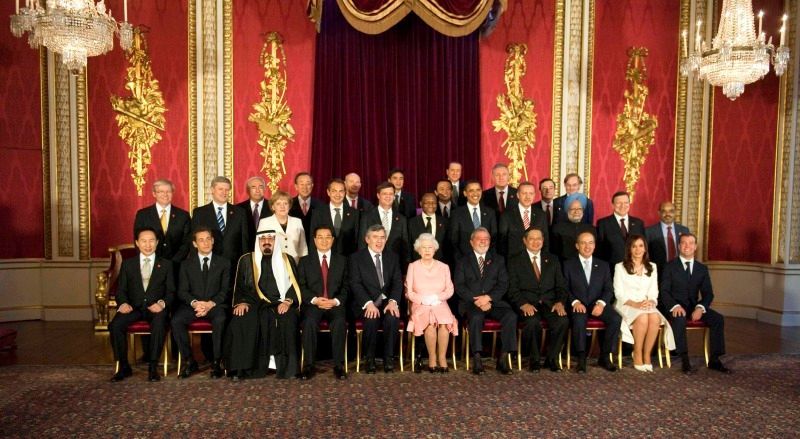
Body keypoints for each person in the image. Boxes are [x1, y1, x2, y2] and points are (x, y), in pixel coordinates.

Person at [225, 230, 300, 380]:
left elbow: (295, 285)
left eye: (270, 239)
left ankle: (286, 368)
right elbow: (240, 286)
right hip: (254, 303)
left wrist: (288, 301)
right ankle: (243, 369)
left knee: (288, 318)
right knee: (240, 319)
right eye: (262, 239)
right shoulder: (246, 260)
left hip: (281, 302)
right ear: (257, 242)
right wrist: (242, 302)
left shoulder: (287, 259)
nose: (266, 242)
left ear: (276, 241)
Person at [109, 227, 175, 382]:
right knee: (115, 325)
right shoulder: (128, 264)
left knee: (160, 323)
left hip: (156, 308)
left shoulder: (166, 264)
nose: (148, 245)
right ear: (137, 243)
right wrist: (123, 303)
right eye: (144, 241)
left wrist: (162, 304)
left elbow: (171, 291)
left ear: (157, 242)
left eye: (151, 241)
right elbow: (121, 290)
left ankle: (153, 367)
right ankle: (123, 366)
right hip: (134, 308)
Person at [660, 233, 730, 374]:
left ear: (695, 246)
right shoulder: (669, 266)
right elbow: (664, 291)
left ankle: (715, 359)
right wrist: (674, 306)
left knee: (718, 319)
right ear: (679, 246)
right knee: (679, 318)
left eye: (691, 243)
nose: (687, 246)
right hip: (674, 307)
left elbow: (708, 293)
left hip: (693, 307)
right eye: (684, 243)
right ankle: (685, 359)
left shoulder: (701, 269)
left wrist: (700, 307)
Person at [453, 227, 516, 375]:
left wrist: (488, 298)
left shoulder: (498, 260)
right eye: (479, 239)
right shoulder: (462, 261)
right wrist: (477, 300)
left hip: (493, 301)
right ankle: (477, 358)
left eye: (486, 239)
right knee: (476, 317)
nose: (483, 241)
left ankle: (503, 358)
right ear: (471, 242)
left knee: (511, 316)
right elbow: (459, 286)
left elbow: (503, 284)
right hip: (471, 303)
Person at [507, 228, 569, 372]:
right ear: (525, 241)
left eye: (539, 239)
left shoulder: (552, 259)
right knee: (532, 322)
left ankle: (552, 359)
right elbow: (512, 289)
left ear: (543, 240)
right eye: (532, 239)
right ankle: (534, 359)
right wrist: (522, 304)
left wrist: (560, 302)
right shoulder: (514, 261)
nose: (536, 242)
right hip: (527, 303)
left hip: (550, 303)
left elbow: (561, 286)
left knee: (562, 321)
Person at [172, 227, 230, 379]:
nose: (206, 243)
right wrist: (195, 303)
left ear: (213, 241)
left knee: (221, 319)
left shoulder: (224, 263)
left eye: (208, 239)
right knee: (176, 321)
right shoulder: (186, 264)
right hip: (192, 306)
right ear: (195, 243)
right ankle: (189, 361)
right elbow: (182, 291)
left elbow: (225, 290)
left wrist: (210, 304)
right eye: (201, 240)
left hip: (215, 305)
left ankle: (217, 362)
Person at [613, 235, 675, 372]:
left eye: (641, 246)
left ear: (645, 248)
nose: (638, 249)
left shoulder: (652, 267)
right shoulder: (620, 267)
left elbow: (653, 292)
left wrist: (651, 301)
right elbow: (619, 294)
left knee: (655, 318)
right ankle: (637, 352)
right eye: (634, 246)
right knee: (642, 317)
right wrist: (635, 305)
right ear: (629, 249)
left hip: (646, 304)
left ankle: (647, 355)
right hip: (626, 304)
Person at [562, 230, 620, 373]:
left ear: (594, 245)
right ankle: (581, 359)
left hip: (597, 303)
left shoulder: (603, 265)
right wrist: (575, 302)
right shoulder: (568, 264)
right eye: (583, 243)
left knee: (615, 319)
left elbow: (608, 289)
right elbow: (563, 288)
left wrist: (601, 303)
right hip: (578, 304)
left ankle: (605, 356)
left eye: (590, 243)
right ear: (577, 246)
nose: (587, 246)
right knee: (579, 319)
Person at [349, 225, 403, 373]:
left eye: (382, 237)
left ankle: (388, 358)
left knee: (392, 317)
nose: (379, 241)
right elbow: (355, 283)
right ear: (367, 239)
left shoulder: (392, 257)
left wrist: (393, 301)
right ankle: (369, 359)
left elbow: (397, 282)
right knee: (371, 318)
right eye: (375, 237)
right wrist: (368, 303)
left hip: (387, 302)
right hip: (365, 302)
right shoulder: (356, 258)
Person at [297, 225, 349, 380]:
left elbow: (347, 286)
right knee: (309, 322)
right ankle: (308, 366)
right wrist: (315, 300)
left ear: (333, 240)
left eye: (328, 237)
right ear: (314, 240)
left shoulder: (342, 260)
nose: (324, 241)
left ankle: (339, 366)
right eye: (320, 237)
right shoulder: (305, 261)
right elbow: (301, 286)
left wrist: (335, 301)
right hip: (314, 304)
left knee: (339, 322)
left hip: (334, 304)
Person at [405, 233, 458, 372]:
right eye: (424, 248)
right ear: (418, 250)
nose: (427, 250)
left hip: (439, 302)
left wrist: (437, 297)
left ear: (435, 249)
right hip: (420, 304)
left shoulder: (444, 267)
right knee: (430, 324)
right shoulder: (413, 266)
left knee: (444, 324)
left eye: (430, 247)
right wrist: (423, 299)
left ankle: (442, 358)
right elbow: (409, 292)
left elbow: (450, 290)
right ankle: (432, 358)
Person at [191, 176, 250, 281]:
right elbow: (194, 241)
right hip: (209, 265)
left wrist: (245, 265)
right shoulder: (200, 213)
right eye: (220, 189)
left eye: (227, 189)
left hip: (234, 266)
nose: (224, 192)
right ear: (212, 190)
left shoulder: (240, 213)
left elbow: (244, 241)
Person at [133, 179, 191, 271]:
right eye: (161, 192)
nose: (165, 194)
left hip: (176, 267)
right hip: (151, 267)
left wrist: (173, 263)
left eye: (168, 191)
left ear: (172, 193)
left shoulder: (183, 216)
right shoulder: (143, 215)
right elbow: (138, 240)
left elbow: (187, 243)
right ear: (154, 194)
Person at [359, 182, 410, 265]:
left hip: (394, 265)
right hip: (371, 263)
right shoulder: (367, 217)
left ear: (394, 196)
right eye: (385, 194)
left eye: (391, 194)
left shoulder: (401, 219)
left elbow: (405, 245)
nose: (388, 196)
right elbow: (362, 242)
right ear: (378, 195)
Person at [309, 178, 360, 256]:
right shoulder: (318, 213)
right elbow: (313, 239)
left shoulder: (354, 213)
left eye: (341, 191)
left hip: (348, 259)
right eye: (334, 191)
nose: (337, 194)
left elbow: (357, 239)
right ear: (328, 192)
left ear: (345, 193)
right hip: (325, 258)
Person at [449, 180, 497, 262]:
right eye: (471, 190)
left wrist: (490, 258)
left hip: (487, 260)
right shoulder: (456, 213)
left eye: (478, 190)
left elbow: (494, 238)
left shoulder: (490, 212)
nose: (475, 193)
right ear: (465, 193)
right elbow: (454, 240)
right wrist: (460, 261)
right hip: (465, 261)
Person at [498, 181, 549, 258]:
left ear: (534, 195)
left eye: (531, 193)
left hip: (535, 260)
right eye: (524, 193)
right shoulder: (506, 215)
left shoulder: (541, 215)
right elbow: (502, 242)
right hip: (513, 259)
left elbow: (545, 240)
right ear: (518, 195)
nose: (528, 197)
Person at [597, 191, 645, 268]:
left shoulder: (638, 223)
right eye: (619, 203)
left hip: (635, 267)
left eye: (626, 203)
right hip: (611, 268)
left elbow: (644, 246)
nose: (623, 206)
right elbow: (599, 250)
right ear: (613, 205)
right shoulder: (603, 223)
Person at [257, 190, 308, 263]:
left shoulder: (297, 221)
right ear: (273, 207)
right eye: (278, 204)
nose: (282, 206)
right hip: (273, 264)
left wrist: (303, 265)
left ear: (289, 206)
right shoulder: (264, 222)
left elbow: (303, 248)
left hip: (294, 264)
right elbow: (259, 247)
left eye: (285, 203)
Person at [645, 201, 690, 275]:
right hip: (658, 272)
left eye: (671, 211)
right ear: (659, 213)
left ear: (675, 213)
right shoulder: (649, 232)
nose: (667, 214)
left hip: (681, 272)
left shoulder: (684, 230)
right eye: (664, 211)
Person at [550, 196, 595, 261]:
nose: (576, 212)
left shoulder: (591, 229)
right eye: (573, 209)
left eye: (579, 209)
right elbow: (553, 253)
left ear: (583, 211)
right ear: (567, 211)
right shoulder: (558, 228)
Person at [408, 193, 448, 262]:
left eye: (434, 202)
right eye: (427, 202)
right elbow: (408, 246)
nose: (431, 205)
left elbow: (448, 246)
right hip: (418, 263)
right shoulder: (411, 222)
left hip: (440, 263)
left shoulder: (445, 222)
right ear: (421, 204)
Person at [236, 176, 271, 251]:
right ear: (248, 190)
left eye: (260, 187)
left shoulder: (273, 207)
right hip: (244, 251)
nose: (257, 190)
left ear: (264, 189)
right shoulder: (238, 208)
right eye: (253, 187)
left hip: (267, 250)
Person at [288, 172, 322, 244]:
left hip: (314, 246)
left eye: (308, 184)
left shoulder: (321, 205)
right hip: (294, 245)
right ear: (296, 186)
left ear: (312, 186)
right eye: (302, 184)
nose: (305, 187)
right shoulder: (288, 205)